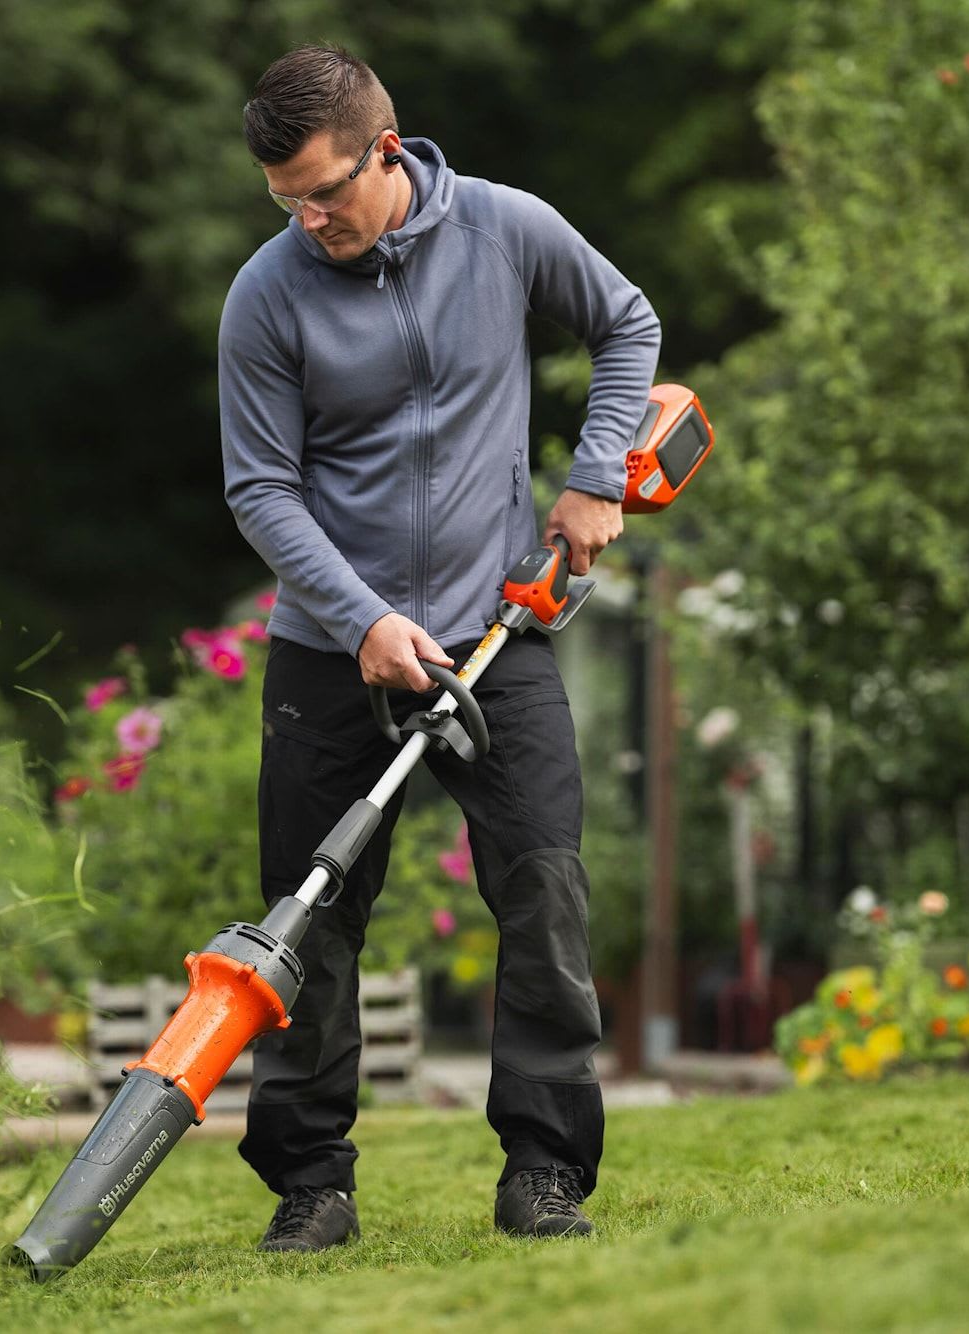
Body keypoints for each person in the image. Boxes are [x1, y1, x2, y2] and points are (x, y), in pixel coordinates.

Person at [217, 43, 660, 1253]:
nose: (309, 220)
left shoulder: (505, 230)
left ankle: (543, 1169)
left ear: (388, 150)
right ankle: (311, 1183)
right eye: (285, 203)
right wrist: (360, 618)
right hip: (329, 649)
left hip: (489, 631)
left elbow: (626, 322)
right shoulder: (266, 295)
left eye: (325, 191)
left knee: (542, 885)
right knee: (310, 918)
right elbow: (261, 489)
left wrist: (589, 481)